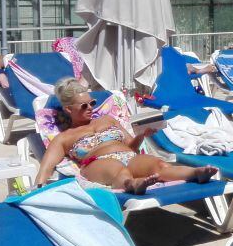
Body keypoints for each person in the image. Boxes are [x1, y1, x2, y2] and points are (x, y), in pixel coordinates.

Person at [35, 78, 217, 194]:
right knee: (121, 172)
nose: (90, 108)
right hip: (97, 163)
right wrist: (38, 187)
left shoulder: (107, 120)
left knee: (159, 165)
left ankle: (195, 173)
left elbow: (131, 146)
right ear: (68, 109)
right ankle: (131, 184)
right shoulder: (64, 138)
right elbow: (46, 167)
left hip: (129, 156)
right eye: (84, 106)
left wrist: (142, 135)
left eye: (92, 103)